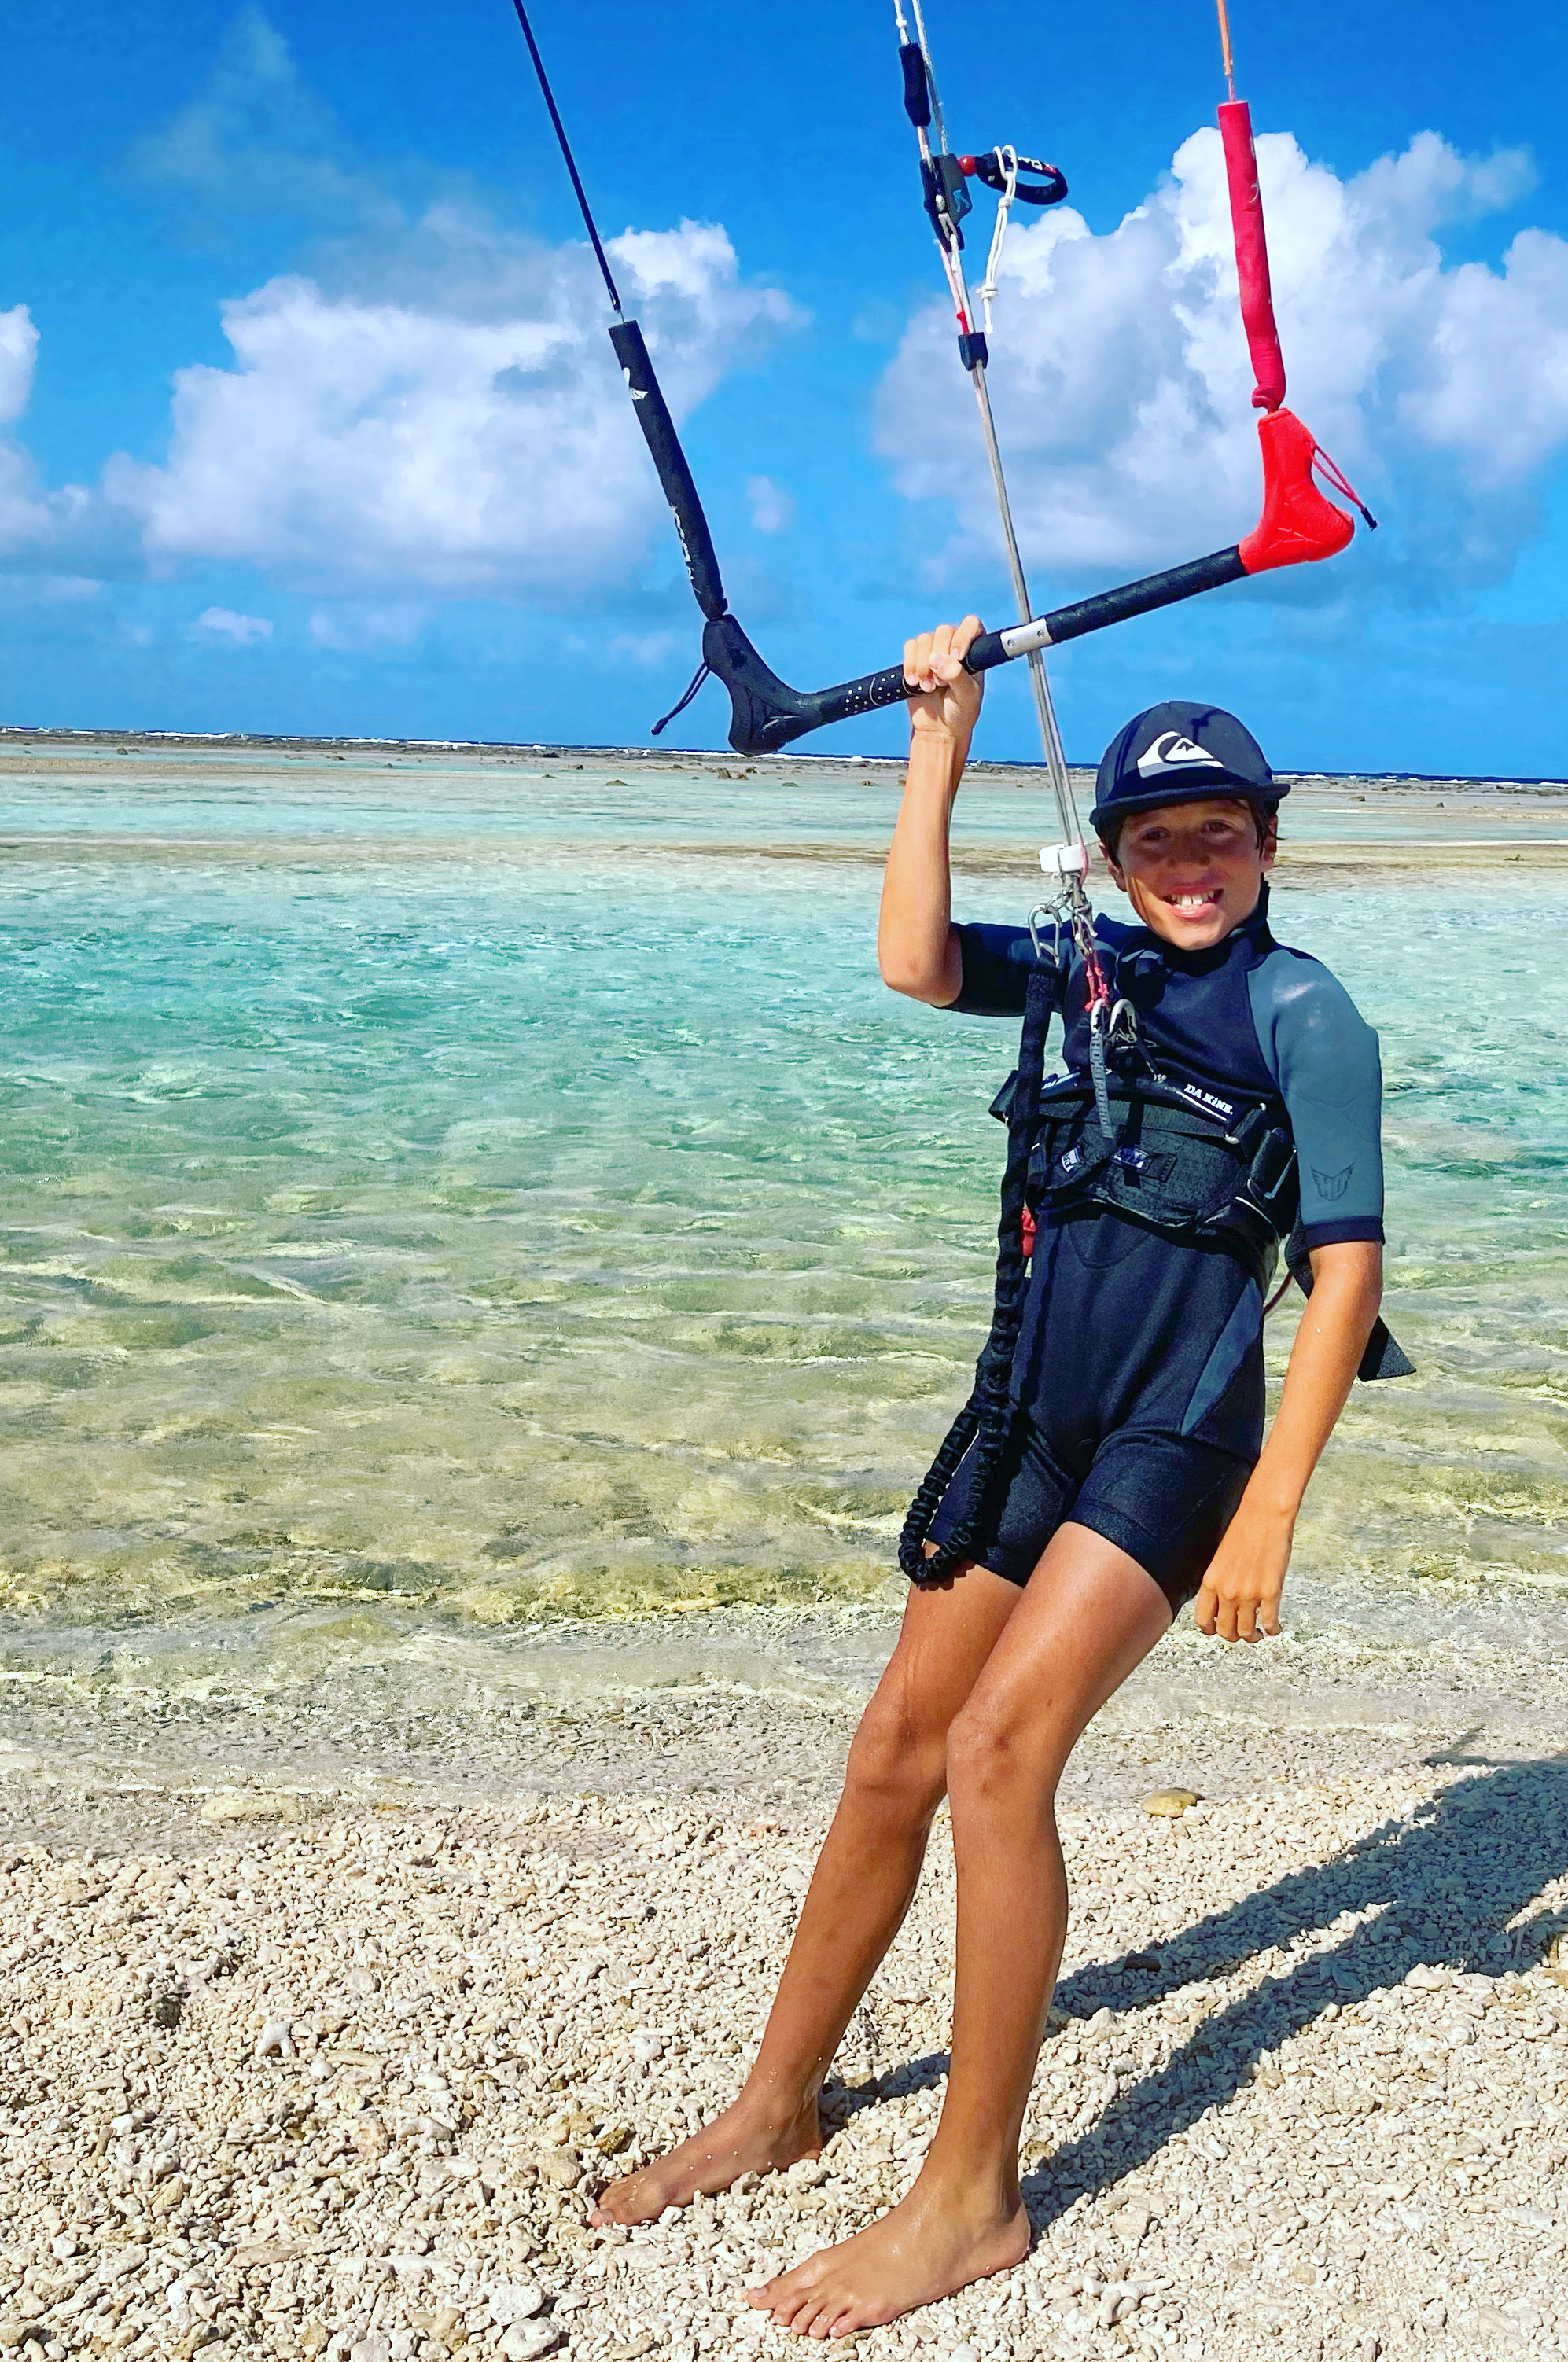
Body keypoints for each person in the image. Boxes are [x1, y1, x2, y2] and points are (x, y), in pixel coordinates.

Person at [589, 616, 1392, 2339]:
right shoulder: (1091, 970)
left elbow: (1343, 1272)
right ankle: (778, 2100)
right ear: (1114, 853)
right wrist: (934, 738)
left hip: (1180, 1433)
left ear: (1268, 841)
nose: (1192, 864)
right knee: (891, 1747)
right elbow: (909, 962)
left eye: (1223, 833)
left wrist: (1270, 1506)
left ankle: (971, 2194)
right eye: (1159, 840)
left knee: (998, 1750)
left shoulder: (1301, 1009)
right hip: (1029, 1409)